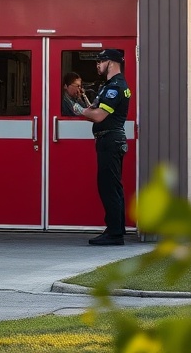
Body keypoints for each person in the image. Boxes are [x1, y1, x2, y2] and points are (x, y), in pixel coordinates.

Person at [66, 49, 131, 246]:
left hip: (110, 140)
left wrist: (77, 109)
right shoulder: (108, 86)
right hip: (109, 140)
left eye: (100, 61)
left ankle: (114, 233)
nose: (97, 65)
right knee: (113, 186)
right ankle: (116, 228)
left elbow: (98, 115)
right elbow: (93, 109)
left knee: (108, 187)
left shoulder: (116, 87)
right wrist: (86, 109)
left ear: (111, 63)